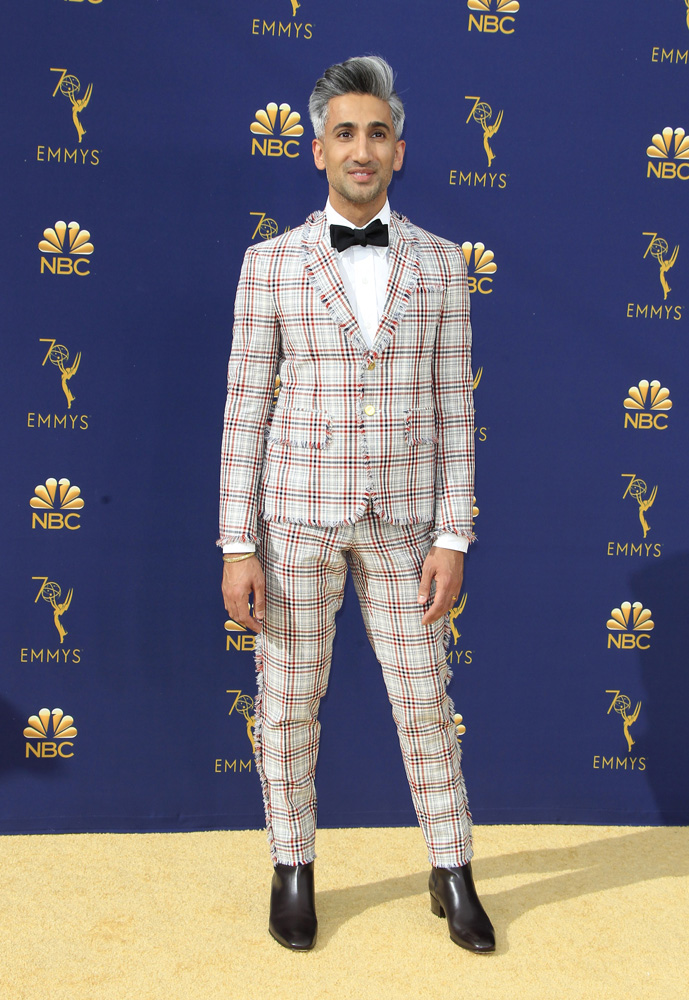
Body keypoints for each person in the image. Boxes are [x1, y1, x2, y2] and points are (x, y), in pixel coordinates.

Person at [219, 55, 494, 954]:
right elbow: (244, 407)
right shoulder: (269, 264)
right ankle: (292, 865)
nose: (361, 148)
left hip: (407, 521)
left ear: (399, 151)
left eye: (376, 133)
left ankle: (450, 867)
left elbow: (457, 405)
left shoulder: (442, 266)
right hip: (294, 515)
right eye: (345, 133)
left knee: (423, 701)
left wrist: (453, 531)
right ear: (317, 151)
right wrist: (236, 543)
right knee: (290, 698)